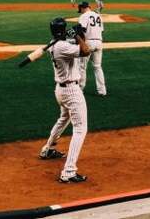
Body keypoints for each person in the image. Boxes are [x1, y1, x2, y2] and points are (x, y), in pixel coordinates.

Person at [39, 17, 91, 183]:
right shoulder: (61, 46)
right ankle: (68, 171)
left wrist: (77, 33)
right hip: (71, 92)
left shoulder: (54, 44)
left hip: (60, 90)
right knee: (80, 128)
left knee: (64, 118)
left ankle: (47, 149)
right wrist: (77, 36)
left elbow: (75, 44)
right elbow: (85, 51)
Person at [77, 1, 107, 96]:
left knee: (82, 67)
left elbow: (81, 31)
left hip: (88, 42)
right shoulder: (98, 16)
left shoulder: (84, 16)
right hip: (99, 42)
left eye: (80, 9)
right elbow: (101, 31)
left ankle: (80, 89)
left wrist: (81, 44)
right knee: (98, 67)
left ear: (82, 8)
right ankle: (102, 91)